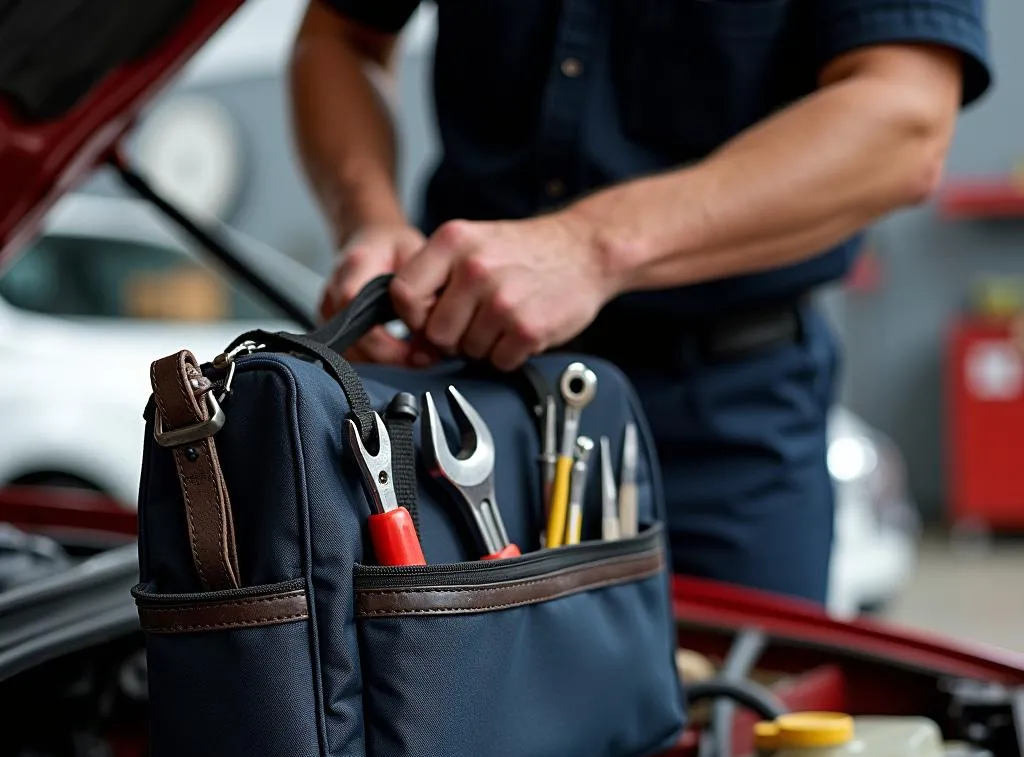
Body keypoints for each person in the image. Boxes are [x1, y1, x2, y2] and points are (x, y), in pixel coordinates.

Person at [289, 0, 990, 604]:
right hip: (462, 396)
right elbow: (339, 36)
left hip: (726, 420)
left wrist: (592, 247)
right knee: (438, 729)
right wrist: (369, 219)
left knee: (726, 733)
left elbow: (906, 120)